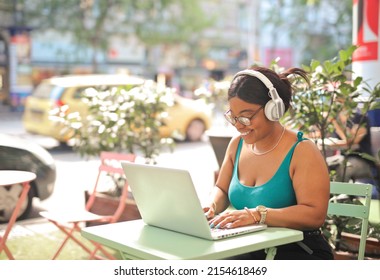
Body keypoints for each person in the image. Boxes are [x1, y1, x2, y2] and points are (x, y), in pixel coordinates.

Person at [203, 66, 334, 260]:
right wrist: (211, 206)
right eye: (233, 116)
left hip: (299, 250)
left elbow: (315, 215)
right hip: (251, 247)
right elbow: (221, 189)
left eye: (246, 116)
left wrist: (259, 215)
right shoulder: (236, 144)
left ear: (274, 109)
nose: (239, 124)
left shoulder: (302, 150)